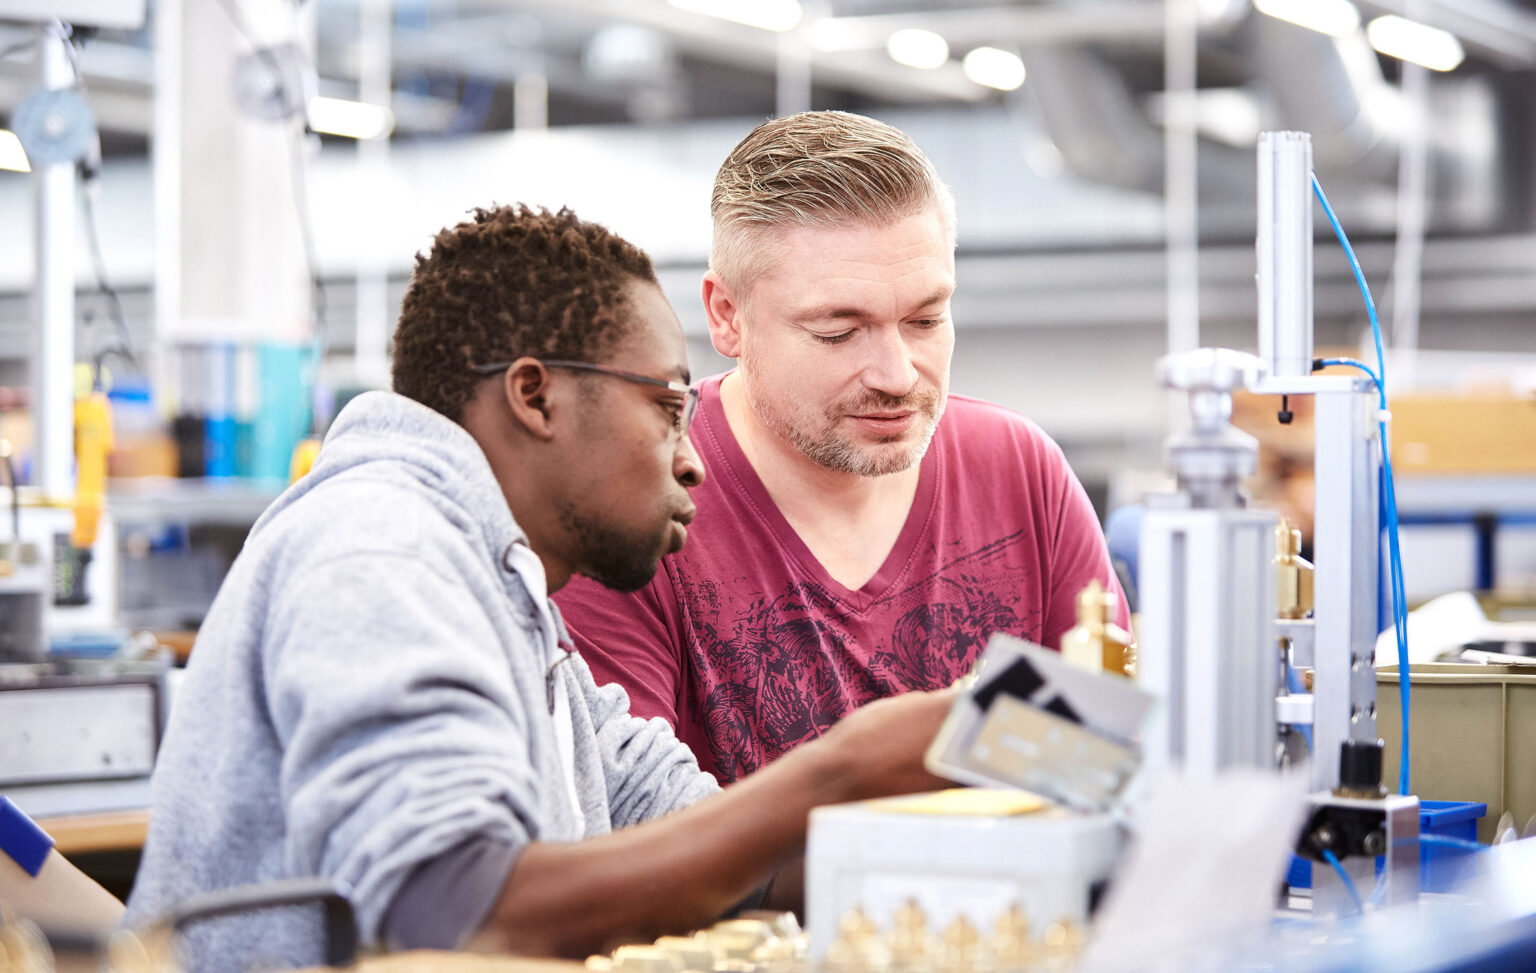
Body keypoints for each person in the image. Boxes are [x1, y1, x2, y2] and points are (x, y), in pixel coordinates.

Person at [124, 205, 951, 971]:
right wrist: (836, 774)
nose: (691, 460)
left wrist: (951, 793)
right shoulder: (381, 548)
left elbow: (721, 860)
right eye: (668, 409)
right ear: (535, 396)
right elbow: (455, 921)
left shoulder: (515, 606)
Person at [555, 111, 1129, 784]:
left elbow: (1105, 769)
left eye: (925, 319)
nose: (896, 375)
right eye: (838, 331)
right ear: (727, 315)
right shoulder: (629, 502)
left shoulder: (1020, 471)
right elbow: (629, 825)